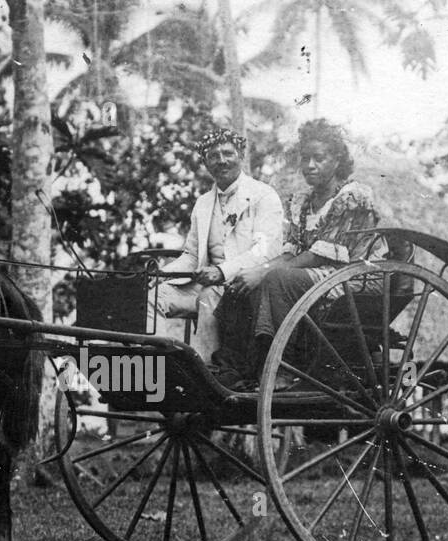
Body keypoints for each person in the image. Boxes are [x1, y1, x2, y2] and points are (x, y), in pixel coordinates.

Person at [213, 120, 403, 389]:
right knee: (243, 284)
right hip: (319, 275)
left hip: (356, 275)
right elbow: (291, 252)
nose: (310, 165)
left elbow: (320, 255)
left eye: (319, 158)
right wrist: (256, 272)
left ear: (337, 161)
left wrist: (266, 273)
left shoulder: (351, 197)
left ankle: (285, 367)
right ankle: (238, 366)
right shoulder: (302, 203)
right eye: (305, 158)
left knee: (278, 280)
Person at [153, 128, 284, 369]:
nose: (221, 160)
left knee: (208, 296)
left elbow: (265, 251)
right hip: (206, 284)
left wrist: (222, 271)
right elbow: (192, 255)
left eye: (227, 153)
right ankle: (161, 365)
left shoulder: (263, 195)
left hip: (243, 286)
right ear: (205, 162)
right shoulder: (203, 204)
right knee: (151, 297)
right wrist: (161, 275)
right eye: (213, 156)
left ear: (240, 155)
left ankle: (207, 372)